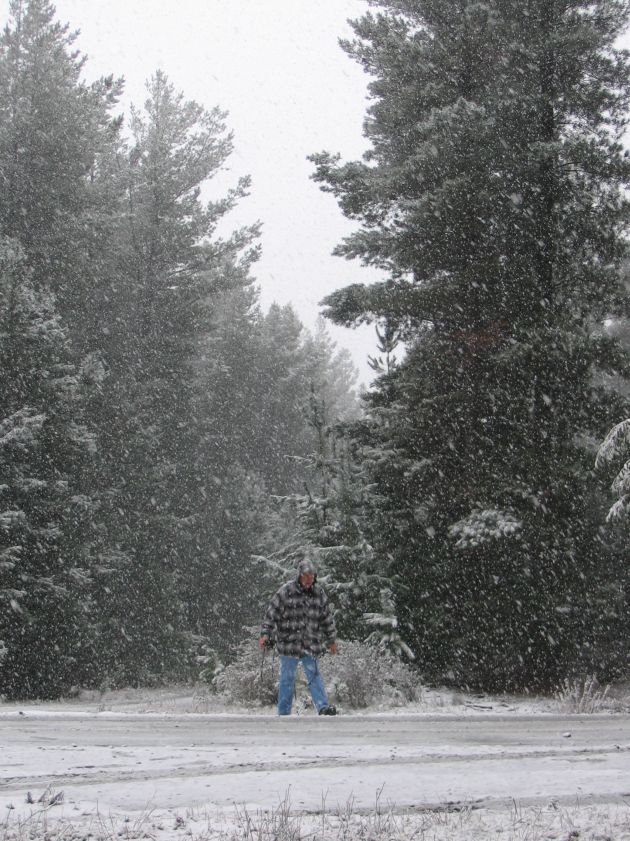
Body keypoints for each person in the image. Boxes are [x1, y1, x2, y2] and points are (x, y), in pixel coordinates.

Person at [259, 559, 338, 716]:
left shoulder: (319, 593)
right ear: (299, 576)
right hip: (289, 644)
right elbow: (271, 613)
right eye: (306, 576)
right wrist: (265, 634)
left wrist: (331, 640)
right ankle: (283, 712)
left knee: (314, 676)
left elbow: (327, 618)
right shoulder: (285, 591)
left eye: (312, 576)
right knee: (287, 679)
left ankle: (323, 708)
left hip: (311, 642)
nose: (309, 579)